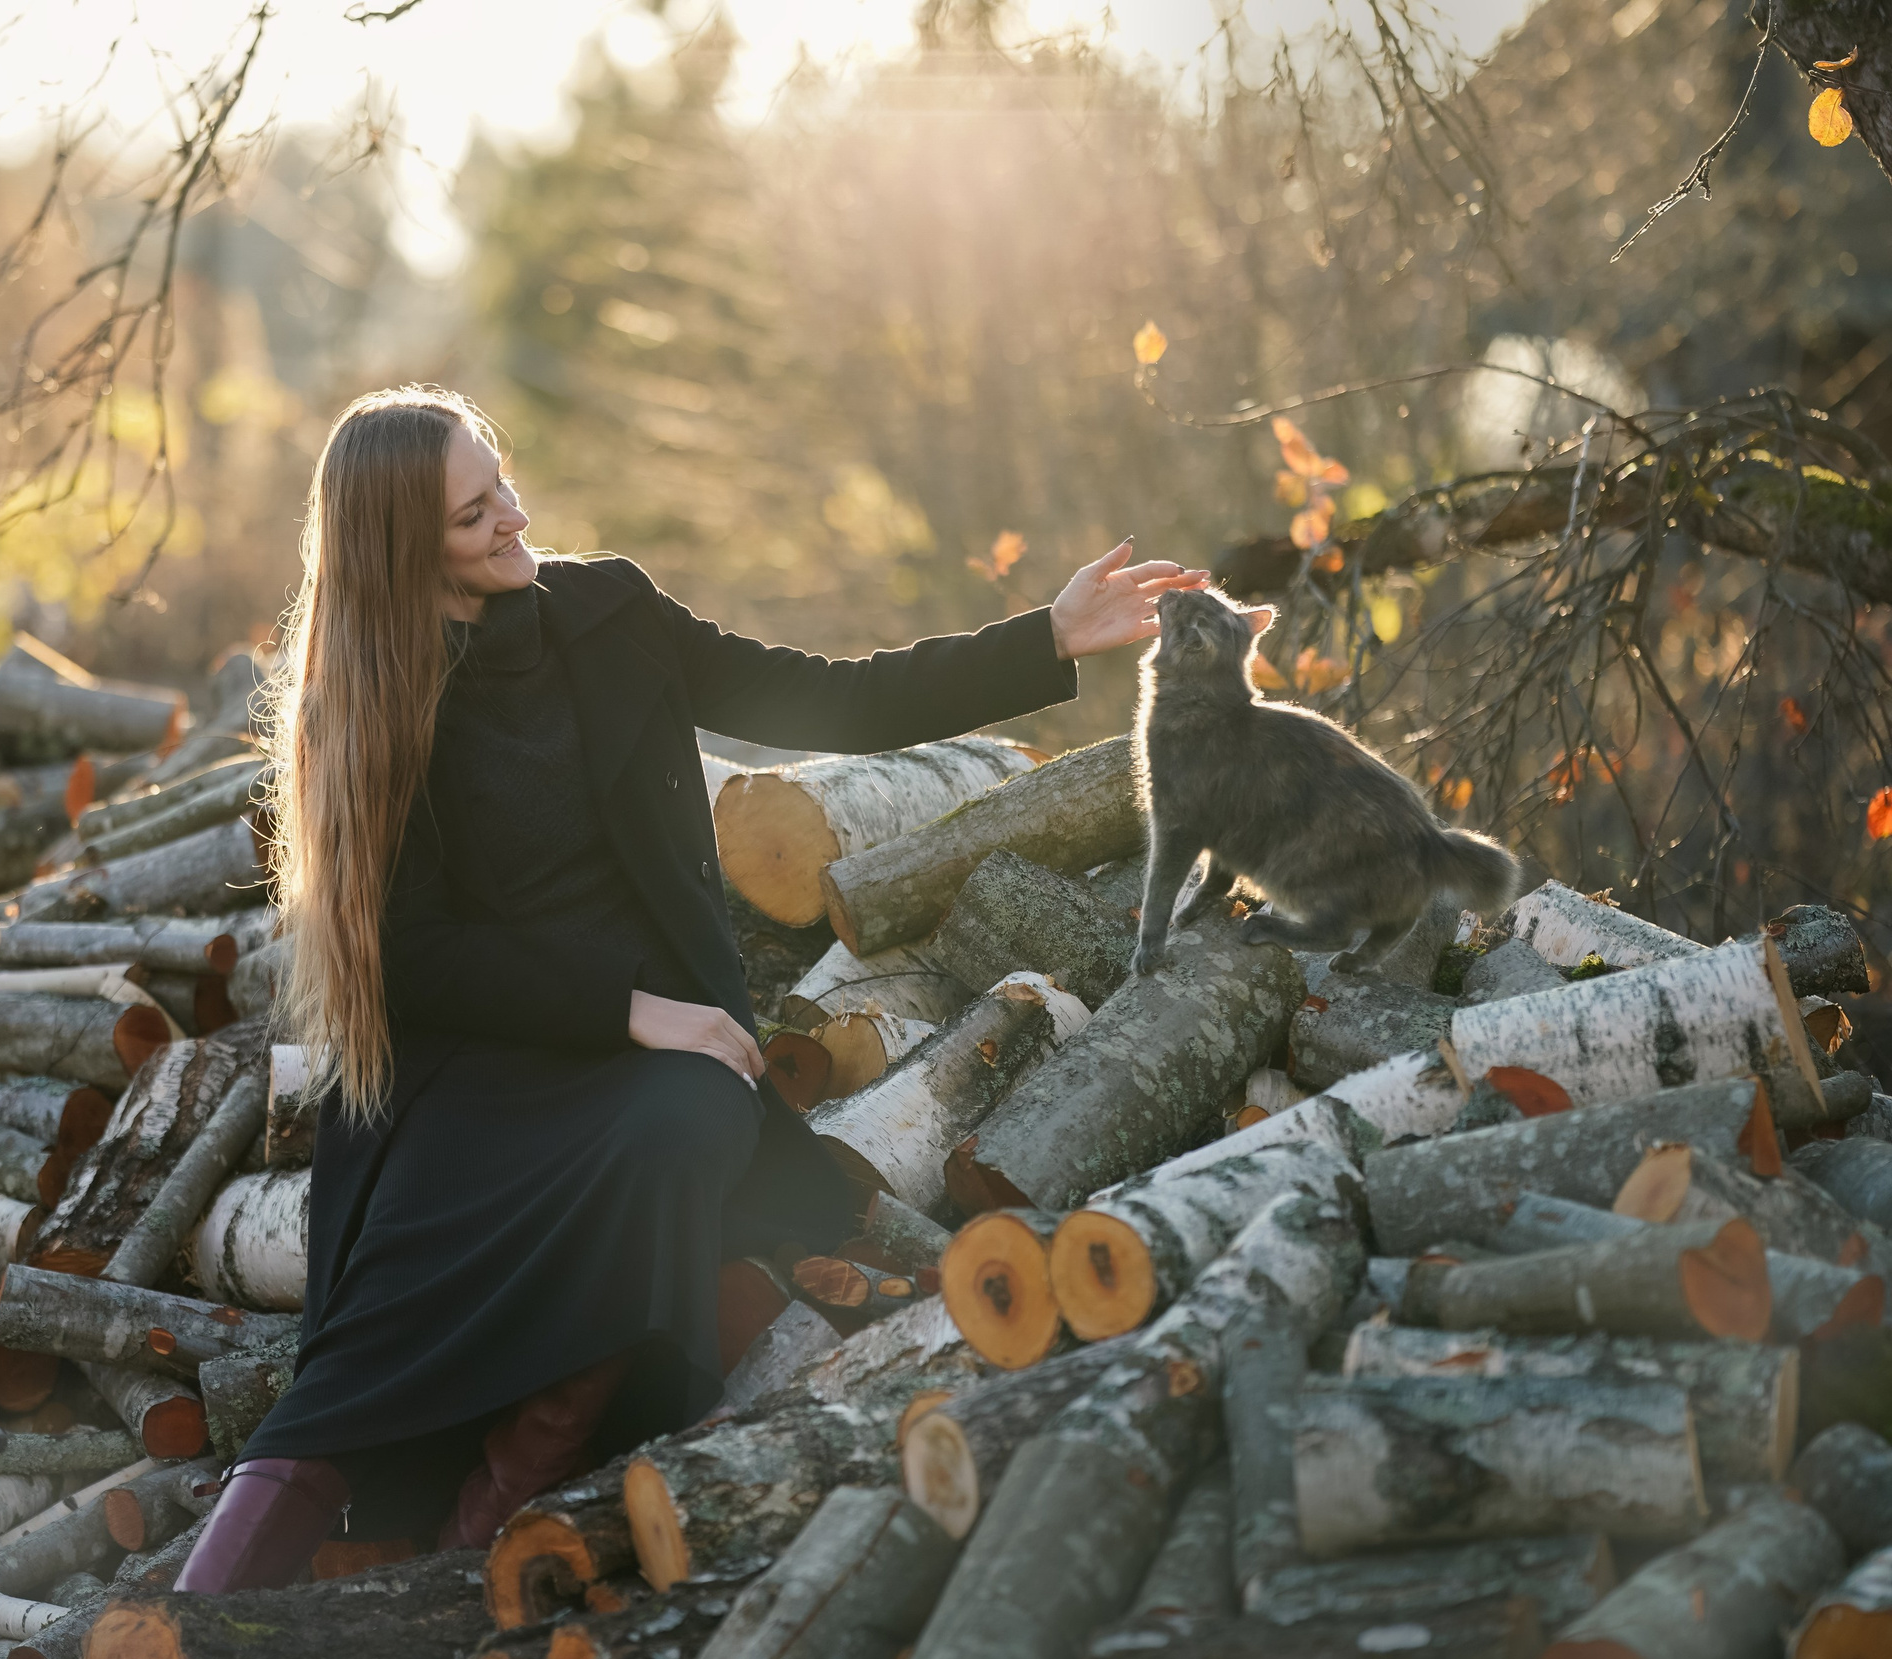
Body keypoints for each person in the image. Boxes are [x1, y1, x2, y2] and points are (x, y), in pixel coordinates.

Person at [176, 385, 1206, 1592]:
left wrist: (1046, 636)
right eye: (473, 514)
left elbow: (830, 698)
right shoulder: (363, 701)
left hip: (645, 1063)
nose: (514, 516)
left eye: (501, 480)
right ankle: (191, 1625)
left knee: (688, 1125)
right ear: (404, 550)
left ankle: (473, 1544)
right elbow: (419, 956)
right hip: (469, 1063)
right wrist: (629, 1007)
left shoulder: (609, 610)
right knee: (381, 1323)